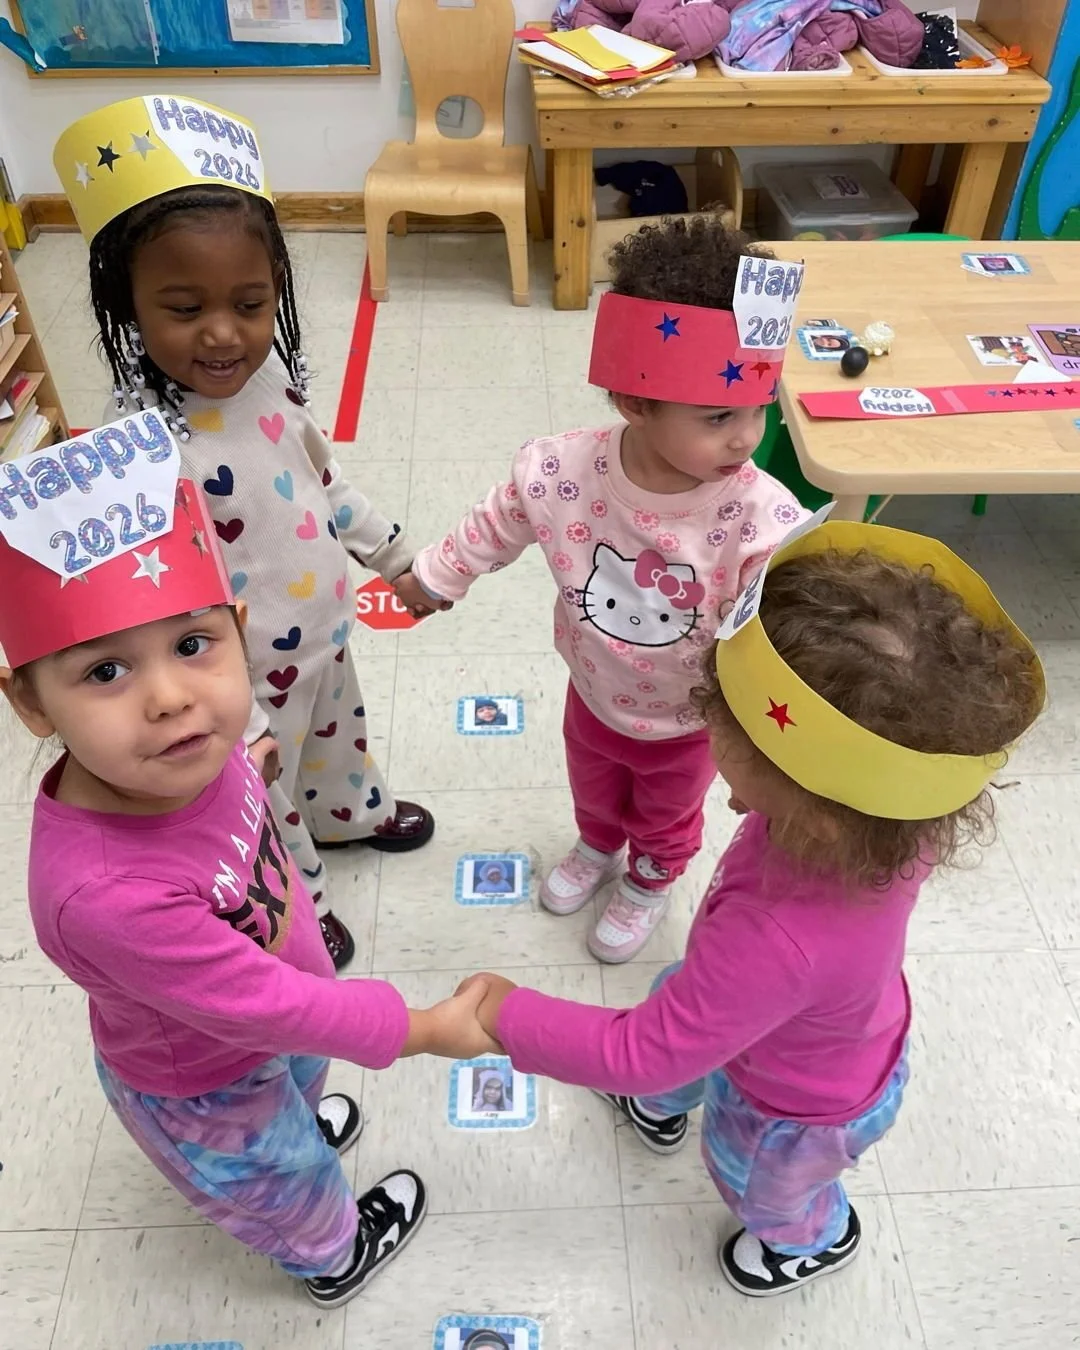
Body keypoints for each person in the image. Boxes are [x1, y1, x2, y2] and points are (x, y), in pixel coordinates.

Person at [458, 519, 1044, 1296]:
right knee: (685, 1003)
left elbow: (643, 1052)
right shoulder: (889, 817)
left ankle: (807, 1240)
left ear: (819, 808)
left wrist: (507, 1016)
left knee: (760, 1188)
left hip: (791, 1111)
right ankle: (664, 1110)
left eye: (729, 734)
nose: (712, 732)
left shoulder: (778, 939)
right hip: (812, 1022)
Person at [0, 456, 499, 1309]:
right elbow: (270, 1007)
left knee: (298, 1099)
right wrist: (418, 1029)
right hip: (206, 1079)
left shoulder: (188, 754)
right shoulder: (106, 896)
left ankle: (300, 1136)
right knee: (283, 1185)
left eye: (194, 646)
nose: (169, 699)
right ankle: (332, 1254)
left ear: (237, 629)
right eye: (104, 672)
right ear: (31, 703)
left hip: (277, 1015)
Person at [54, 95, 445, 973]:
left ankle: (353, 816)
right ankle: (298, 899)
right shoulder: (145, 448)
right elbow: (155, 601)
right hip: (242, 674)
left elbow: (325, 482)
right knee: (262, 790)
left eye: (251, 301)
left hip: (327, 633)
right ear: (129, 305)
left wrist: (398, 558)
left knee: (339, 738)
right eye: (184, 308)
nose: (224, 333)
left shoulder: (271, 380)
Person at [395, 218, 806, 963]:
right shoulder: (561, 471)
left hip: (689, 719)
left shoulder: (763, 517)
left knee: (668, 811)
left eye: (757, 407)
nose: (746, 437)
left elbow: (782, 636)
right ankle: (596, 845)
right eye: (719, 416)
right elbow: (501, 519)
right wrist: (438, 575)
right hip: (591, 689)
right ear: (636, 402)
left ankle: (650, 879)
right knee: (593, 784)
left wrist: (764, 751)